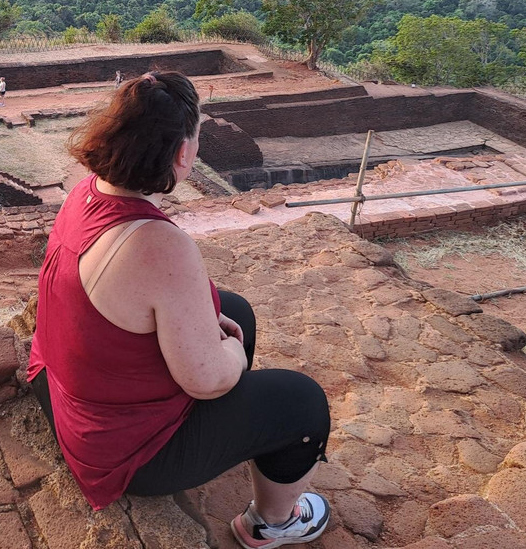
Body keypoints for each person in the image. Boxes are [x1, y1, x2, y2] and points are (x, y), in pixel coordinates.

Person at [28, 71, 331, 549]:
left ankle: (222, 436)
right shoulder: (156, 245)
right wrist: (231, 354)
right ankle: (271, 523)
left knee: (235, 310)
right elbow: (206, 379)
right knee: (303, 403)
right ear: (183, 152)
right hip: (122, 452)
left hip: (62, 390)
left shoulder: (85, 193)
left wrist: (219, 333)